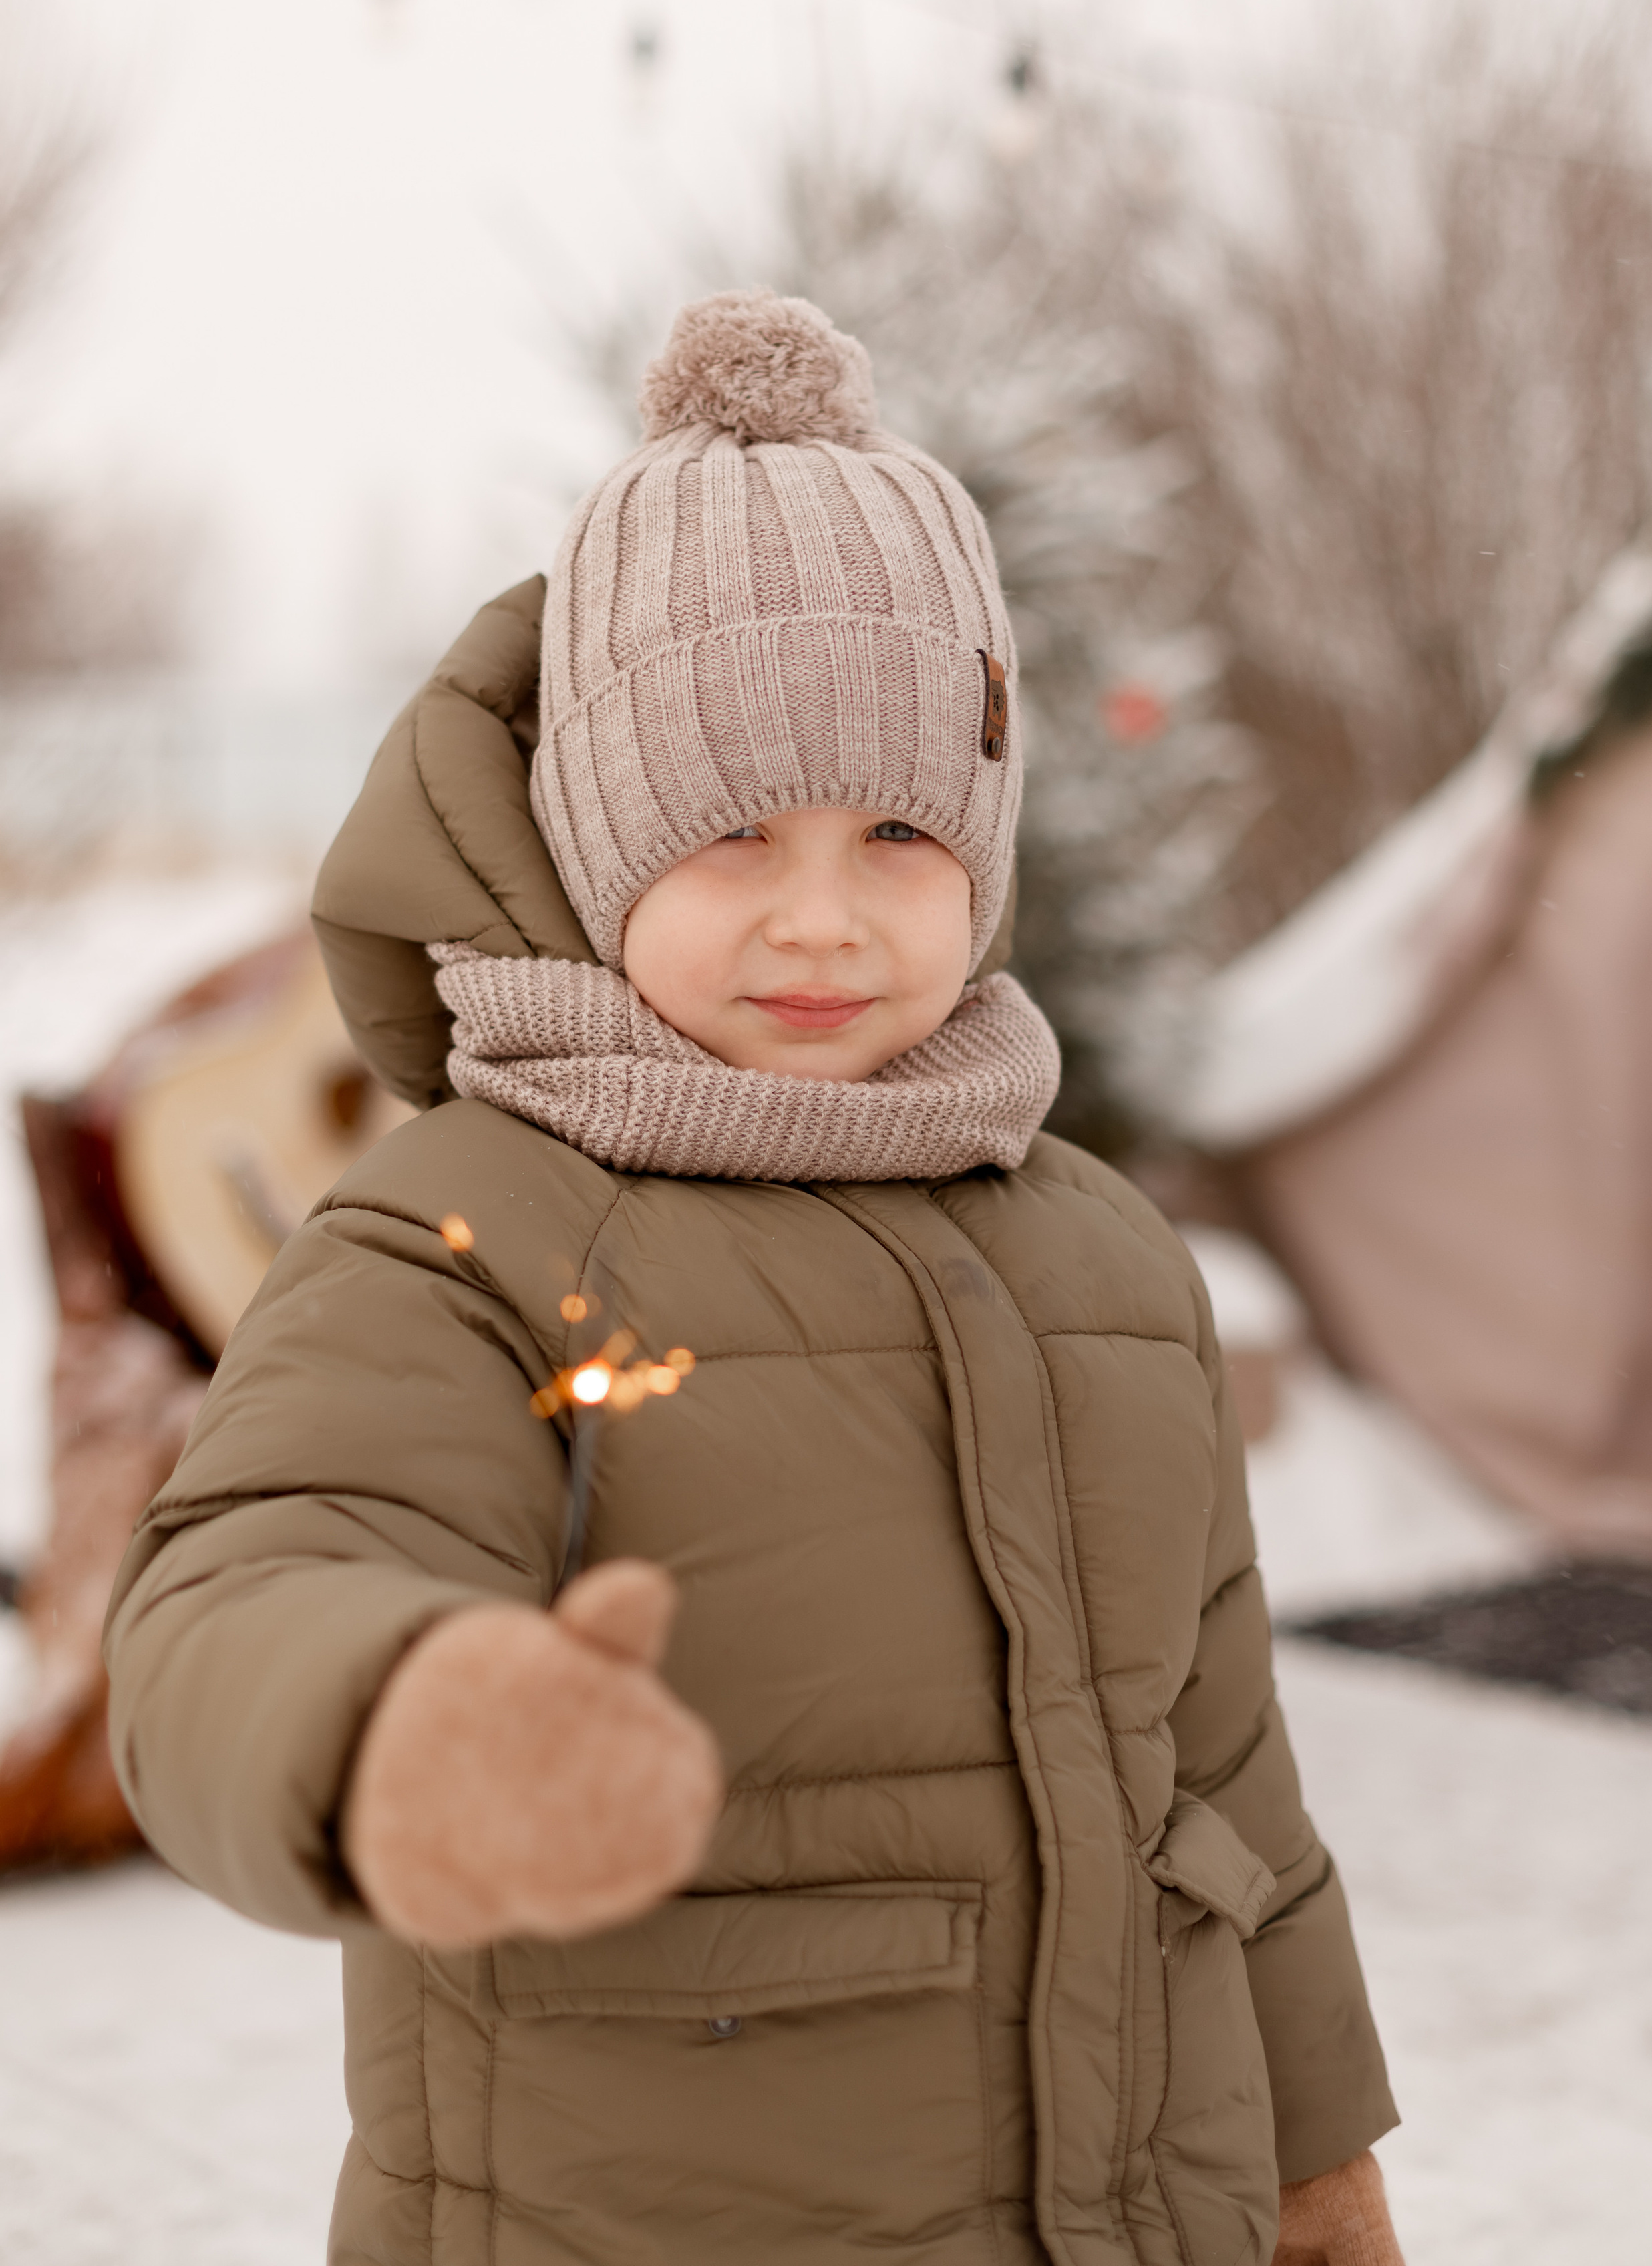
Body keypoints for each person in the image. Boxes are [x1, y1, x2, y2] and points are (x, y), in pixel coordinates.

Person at [105, 292, 1403, 2266]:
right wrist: (403, 1723)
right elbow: (240, 1589)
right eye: (730, 833)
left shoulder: (1107, 1262)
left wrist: (1319, 2176)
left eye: (897, 831)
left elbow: (1228, 1789)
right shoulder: (468, 1241)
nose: (823, 918)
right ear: (594, 835)